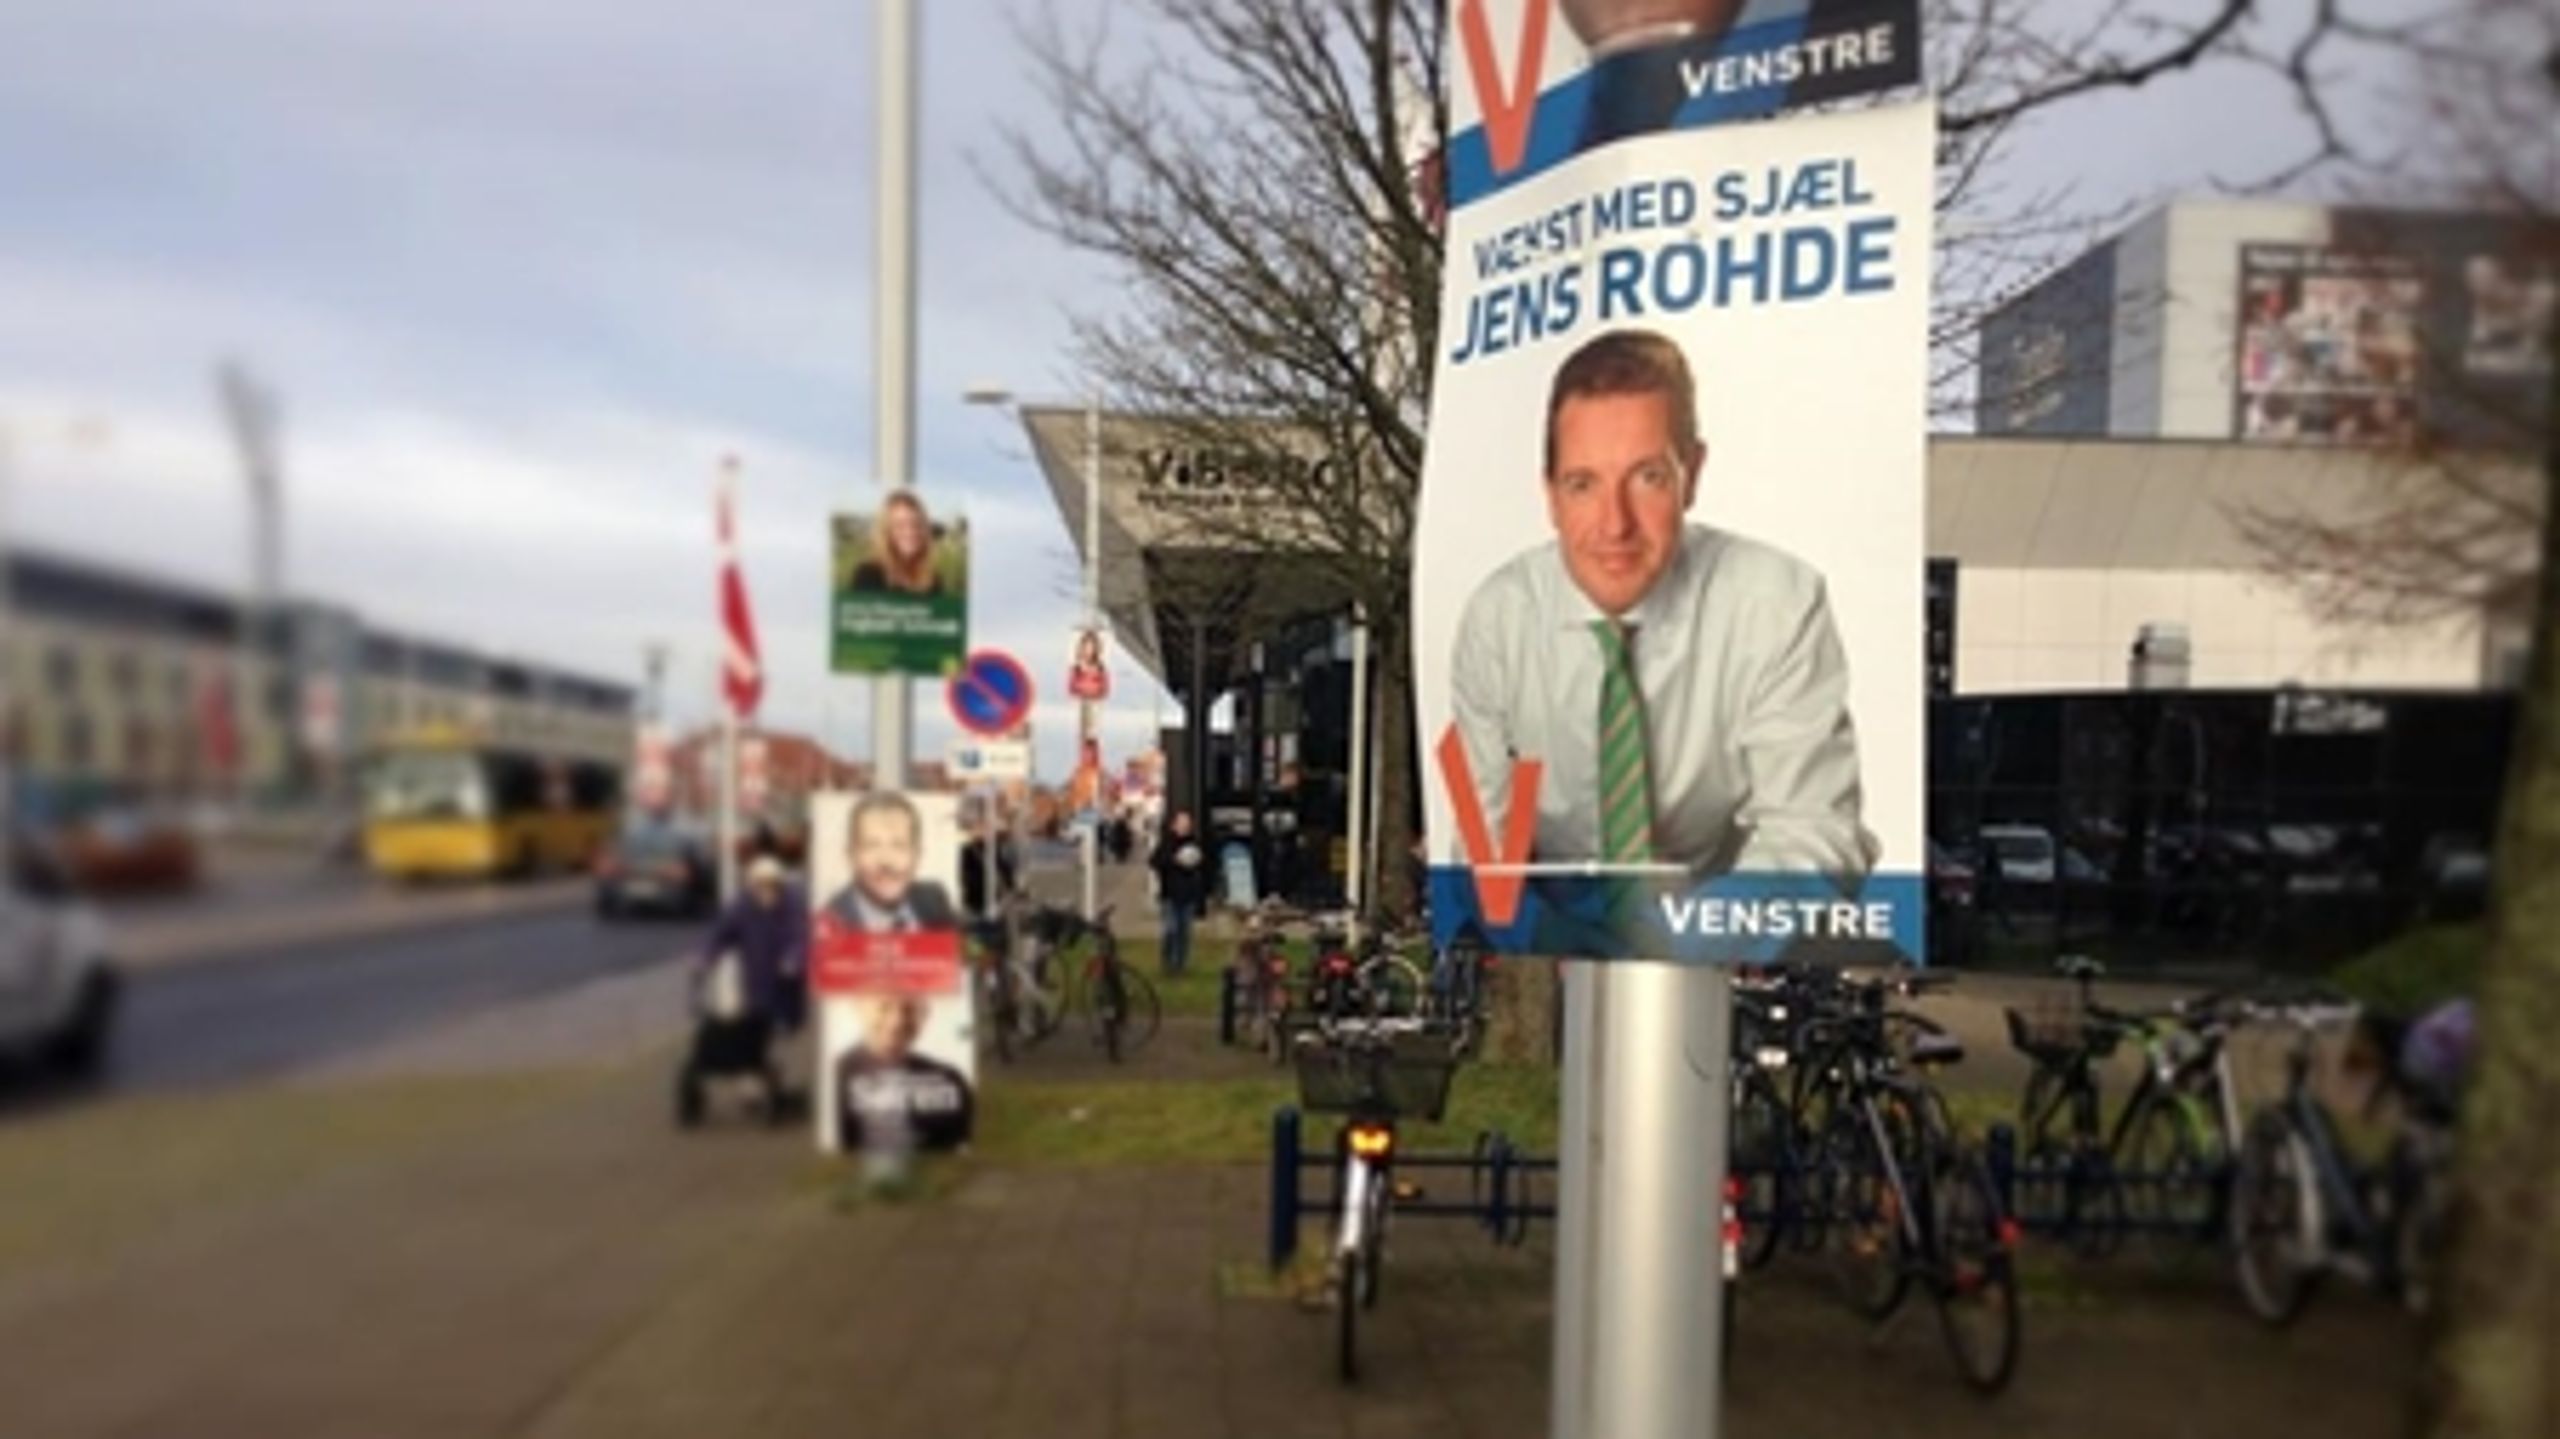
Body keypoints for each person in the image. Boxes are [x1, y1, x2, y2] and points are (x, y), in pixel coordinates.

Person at [1448, 327, 1876, 886]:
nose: (1615, 524)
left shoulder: (1778, 602)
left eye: (1647, 478)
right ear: (1550, 496)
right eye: (1583, 484)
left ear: (1691, 476)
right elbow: (1488, 843)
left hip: (1722, 937)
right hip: (1563, 937)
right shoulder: (1496, 619)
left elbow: (1813, 832)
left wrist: (1687, 937)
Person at [834, 994, 974, 1153]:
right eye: (884, 1007)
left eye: (909, 1009)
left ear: (925, 1013)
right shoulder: (831, 1083)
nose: (897, 1022)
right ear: (858, 1006)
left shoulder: (949, 1080)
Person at [822, 791, 960, 932]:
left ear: (917, 855)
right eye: (871, 846)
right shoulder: (830, 922)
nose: (886, 861)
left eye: (899, 846)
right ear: (850, 855)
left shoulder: (934, 900)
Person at [848, 490, 946, 597]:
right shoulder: (868, 574)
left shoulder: (933, 579)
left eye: (917, 524)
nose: (910, 532)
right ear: (886, 531)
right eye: (900, 525)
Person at [1151, 809, 1208, 976]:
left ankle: (1180, 965)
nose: (1185, 826)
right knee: (1171, 929)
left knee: (1185, 932)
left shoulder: (1194, 843)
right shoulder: (1166, 843)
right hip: (1170, 894)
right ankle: (1167, 961)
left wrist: (1197, 863)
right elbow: (1155, 861)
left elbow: (1202, 865)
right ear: (1174, 825)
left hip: (1188, 895)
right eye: (1181, 823)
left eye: (1187, 823)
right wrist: (1173, 861)